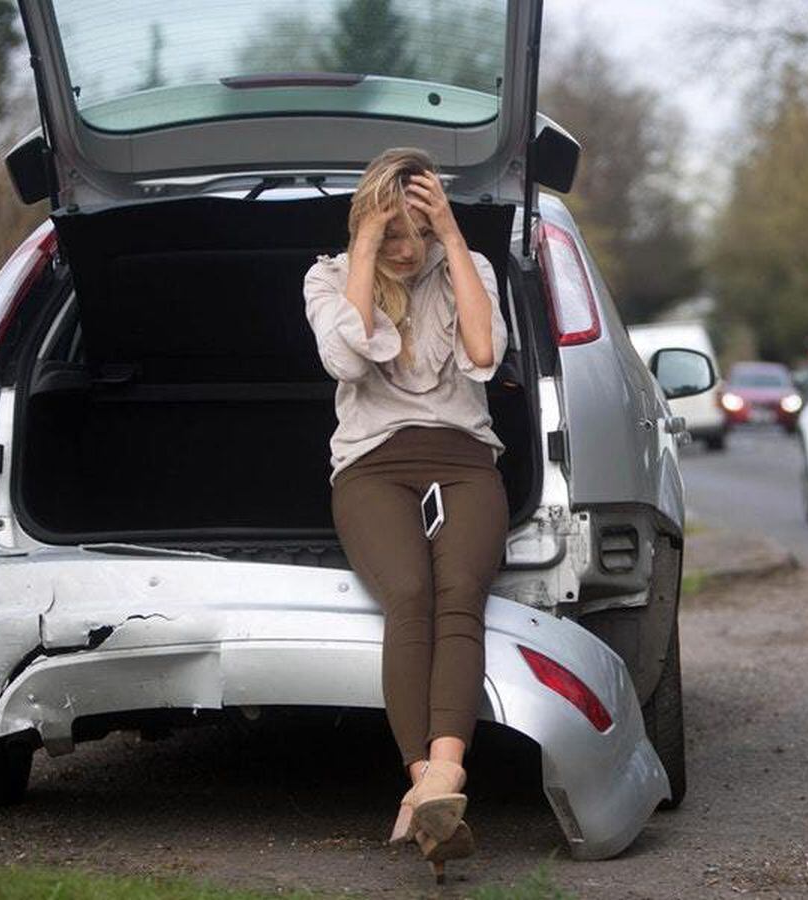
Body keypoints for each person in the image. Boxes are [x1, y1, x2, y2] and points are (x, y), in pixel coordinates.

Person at [301, 147, 510, 882]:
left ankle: (437, 782)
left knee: (461, 595)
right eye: (388, 232)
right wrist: (363, 243)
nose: (402, 247)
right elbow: (348, 362)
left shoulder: (465, 266)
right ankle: (428, 780)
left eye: (411, 232)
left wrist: (453, 240)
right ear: (365, 226)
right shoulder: (328, 276)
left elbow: (484, 351)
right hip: (370, 465)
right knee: (411, 595)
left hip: (464, 456)